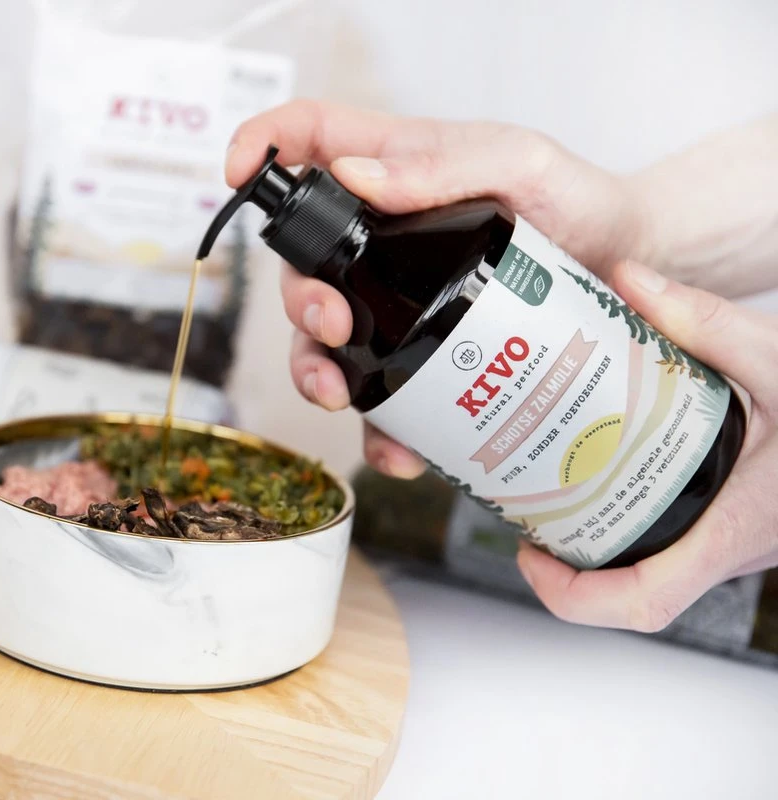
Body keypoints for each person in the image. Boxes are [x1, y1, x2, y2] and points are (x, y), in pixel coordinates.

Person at [224, 100, 778, 634]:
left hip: (715, 419)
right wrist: (639, 226)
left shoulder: (472, 235)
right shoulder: (360, 345)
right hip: (608, 529)